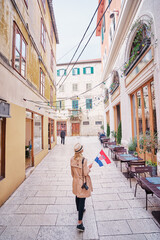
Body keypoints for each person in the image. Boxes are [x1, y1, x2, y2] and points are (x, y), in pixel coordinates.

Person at [70, 143, 93, 231]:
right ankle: (80, 223)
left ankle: (79, 209)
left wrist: (76, 177)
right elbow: (85, 173)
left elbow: (72, 173)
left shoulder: (72, 159)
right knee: (82, 199)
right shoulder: (84, 160)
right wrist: (89, 168)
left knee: (77, 195)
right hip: (82, 182)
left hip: (75, 180)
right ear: (81, 151)